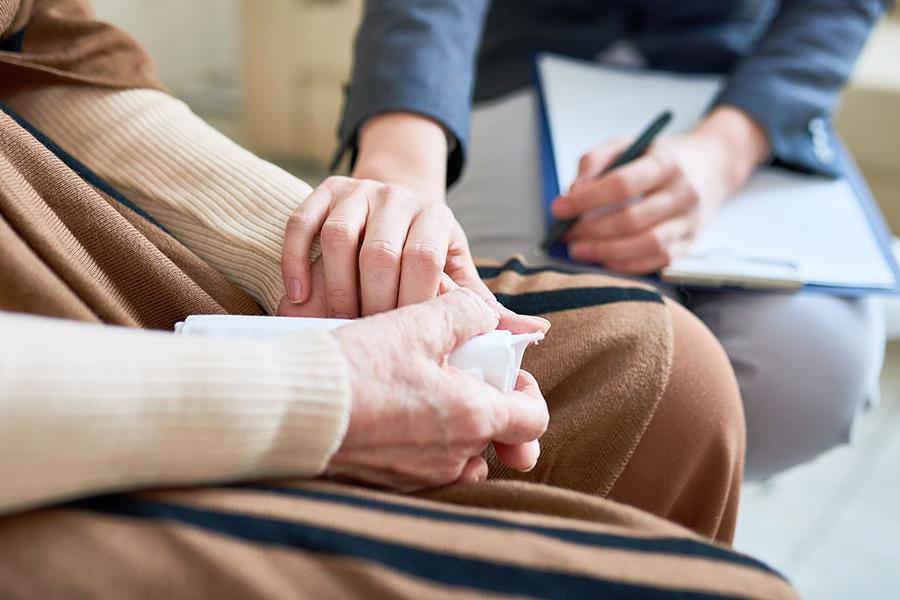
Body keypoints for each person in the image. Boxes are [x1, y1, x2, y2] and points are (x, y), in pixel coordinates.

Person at [0, 1, 798, 597]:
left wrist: (330, 253)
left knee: (668, 371)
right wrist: (312, 397)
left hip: (47, 221)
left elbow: (46, 54)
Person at [310, 0, 892, 479]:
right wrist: (403, 163)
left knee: (814, 377)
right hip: (513, 64)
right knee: (537, 360)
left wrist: (726, 151)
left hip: (740, 89)